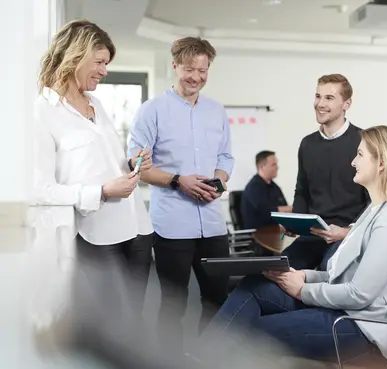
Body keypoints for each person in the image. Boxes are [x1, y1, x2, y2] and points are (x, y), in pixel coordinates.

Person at [198, 125, 387, 367]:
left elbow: (359, 294)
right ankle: (201, 361)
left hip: (361, 329)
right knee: (253, 286)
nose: (352, 162)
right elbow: (344, 276)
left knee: (250, 333)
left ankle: (204, 361)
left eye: (360, 155)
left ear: (381, 164)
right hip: (345, 311)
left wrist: (301, 290)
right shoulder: (375, 210)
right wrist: (305, 275)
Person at [33, 19, 154, 364]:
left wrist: (131, 164)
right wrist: (100, 191)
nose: (104, 71)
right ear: (75, 56)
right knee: (108, 332)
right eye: (99, 62)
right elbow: (39, 189)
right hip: (97, 239)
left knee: (134, 328)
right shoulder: (42, 112)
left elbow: (108, 162)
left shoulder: (96, 105)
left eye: (106, 63)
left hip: (137, 230)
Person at [128, 36, 234, 344]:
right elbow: (139, 166)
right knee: (172, 305)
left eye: (203, 70)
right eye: (190, 69)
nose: (197, 77)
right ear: (175, 66)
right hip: (172, 226)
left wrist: (219, 180)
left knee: (217, 301)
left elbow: (226, 157)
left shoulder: (216, 111)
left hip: (213, 225)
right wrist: (178, 181)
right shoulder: (152, 110)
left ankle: (208, 359)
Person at [281, 74, 369, 270]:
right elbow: (302, 190)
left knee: (325, 274)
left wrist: (347, 232)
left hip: (347, 237)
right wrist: (295, 222)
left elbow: (373, 200)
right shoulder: (307, 144)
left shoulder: (364, 142)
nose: (320, 103)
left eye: (329, 98)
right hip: (312, 236)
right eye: (318, 96)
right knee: (274, 271)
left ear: (347, 104)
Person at [241, 150, 291, 230]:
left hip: (275, 231)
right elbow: (265, 212)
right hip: (258, 234)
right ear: (262, 167)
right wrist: (289, 208)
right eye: (273, 165)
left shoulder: (275, 187)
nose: (277, 167)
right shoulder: (254, 187)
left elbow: (284, 208)